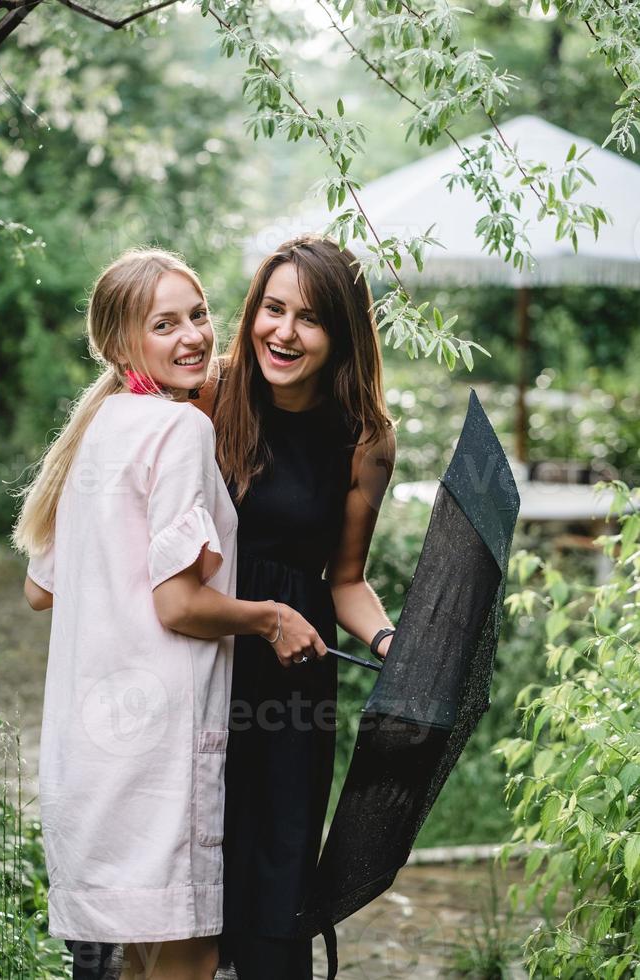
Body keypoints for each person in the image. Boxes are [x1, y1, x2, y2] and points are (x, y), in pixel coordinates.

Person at [13, 246, 322, 980]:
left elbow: (40, 590)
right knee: (188, 959)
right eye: (165, 325)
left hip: (91, 749)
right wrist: (270, 618)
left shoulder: (100, 429)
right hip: (159, 751)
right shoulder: (182, 431)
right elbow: (179, 604)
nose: (193, 337)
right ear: (123, 345)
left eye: (199, 316)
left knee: (143, 960)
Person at [194, 234, 397, 980]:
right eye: (272, 308)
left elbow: (346, 578)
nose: (283, 331)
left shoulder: (366, 438)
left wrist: (386, 641)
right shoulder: (211, 394)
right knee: (190, 864)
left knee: (277, 875)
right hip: (199, 662)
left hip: (291, 686)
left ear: (341, 332)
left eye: (308, 318)